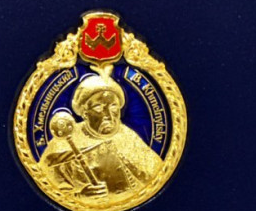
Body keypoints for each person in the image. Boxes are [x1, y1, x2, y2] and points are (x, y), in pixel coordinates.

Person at [39, 67, 163, 202]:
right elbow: (48, 187)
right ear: (84, 113)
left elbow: (157, 176)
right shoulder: (63, 145)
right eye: (98, 107)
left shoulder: (128, 136)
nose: (108, 115)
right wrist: (81, 197)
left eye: (113, 106)